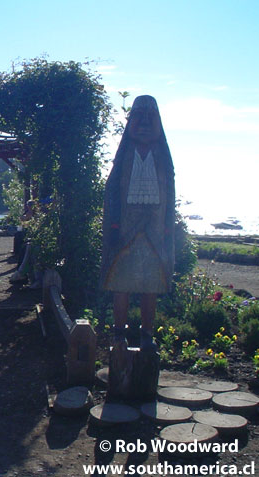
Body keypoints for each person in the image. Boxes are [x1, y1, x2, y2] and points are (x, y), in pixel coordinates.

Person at [101, 95, 175, 352]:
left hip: (154, 230)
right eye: (138, 115)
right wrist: (112, 226)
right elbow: (111, 191)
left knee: (150, 285)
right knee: (121, 284)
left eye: (150, 116)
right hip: (125, 229)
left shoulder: (162, 155)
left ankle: (146, 334)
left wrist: (166, 226)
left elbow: (170, 194)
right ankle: (119, 333)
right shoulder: (125, 155)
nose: (144, 122)